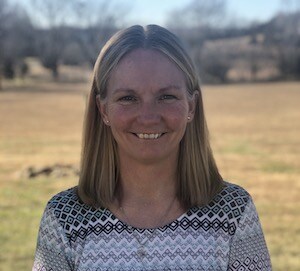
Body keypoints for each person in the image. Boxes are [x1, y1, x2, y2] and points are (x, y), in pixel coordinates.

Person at [32, 24, 272, 271]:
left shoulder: (233, 213)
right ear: (103, 110)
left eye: (166, 97)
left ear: (191, 107)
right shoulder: (64, 218)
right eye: (128, 98)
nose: (148, 117)